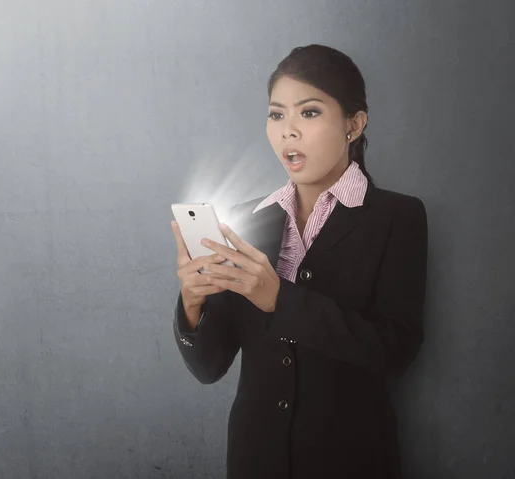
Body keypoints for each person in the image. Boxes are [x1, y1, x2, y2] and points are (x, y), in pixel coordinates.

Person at [170, 44, 428, 479]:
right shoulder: (247, 221)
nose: (288, 131)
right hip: (255, 460)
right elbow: (209, 368)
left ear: (354, 124)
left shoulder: (396, 217)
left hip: (351, 460)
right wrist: (192, 304)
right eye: (276, 114)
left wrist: (278, 299)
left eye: (308, 113)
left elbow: (394, 352)